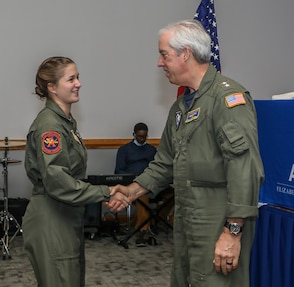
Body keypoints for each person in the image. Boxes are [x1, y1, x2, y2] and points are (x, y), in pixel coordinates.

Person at [108, 19, 264, 287]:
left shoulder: (227, 99)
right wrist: (131, 191)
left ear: (186, 54)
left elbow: (244, 167)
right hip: (187, 219)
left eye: (164, 54)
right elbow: (165, 162)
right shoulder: (181, 107)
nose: (159, 63)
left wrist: (233, 231)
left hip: (219, 220)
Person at [22, 56, 129, 287]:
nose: (78, 83)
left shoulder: (66, 123)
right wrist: (106, 191)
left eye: (78, 77)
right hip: (52, 217)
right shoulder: (50, 126)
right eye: (71, 79)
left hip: (65, 216)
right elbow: (58, 182)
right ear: (52, 87)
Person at [114, 122, 157, 246]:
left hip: (152, 183)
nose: (142, 139)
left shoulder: (151, 150)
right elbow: (119, 171)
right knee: (142, 195)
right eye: (139, 136)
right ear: (134, 135)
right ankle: (142, 232)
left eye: (144, 136)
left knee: (172, 194)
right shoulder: (124, 150)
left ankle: (152, 222)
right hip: (133, 185)